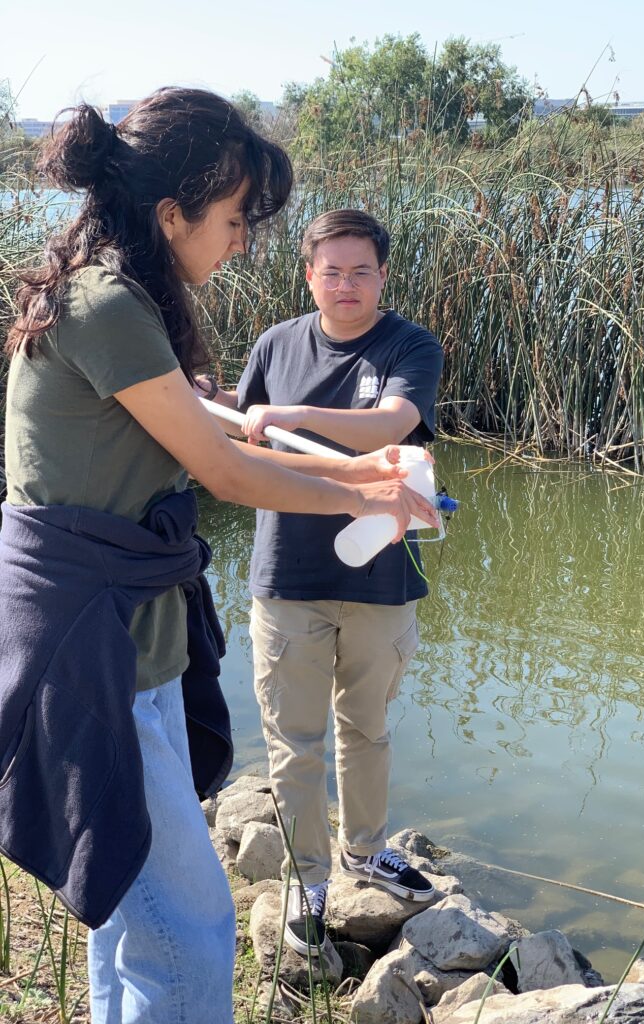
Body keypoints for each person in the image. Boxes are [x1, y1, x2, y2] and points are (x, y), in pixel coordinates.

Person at [0, 93, 437, 1024]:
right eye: (235, 218)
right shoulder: (107, 303)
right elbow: (228, 469)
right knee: (191, 927)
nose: (241, 242)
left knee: (128, 904)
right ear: (173, 213)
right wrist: (370, 490)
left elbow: (192, 433)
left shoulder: (117, 296)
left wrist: (358, 465)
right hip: (94, 654)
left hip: (128, 643)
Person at [203, 208, 444, 957]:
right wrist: (204, 396)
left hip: (380, 574)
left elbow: (391, 425)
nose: (345, 284)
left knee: (365, 727)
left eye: (360, 271)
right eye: (330, 271)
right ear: (309, 275)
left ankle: (364, 852)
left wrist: (291, 413)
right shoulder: (275, 343)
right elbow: (239, 439)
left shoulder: (410, 345)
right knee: (294, 742)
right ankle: (309, 880)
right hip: (287, 575)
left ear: (382, 276)